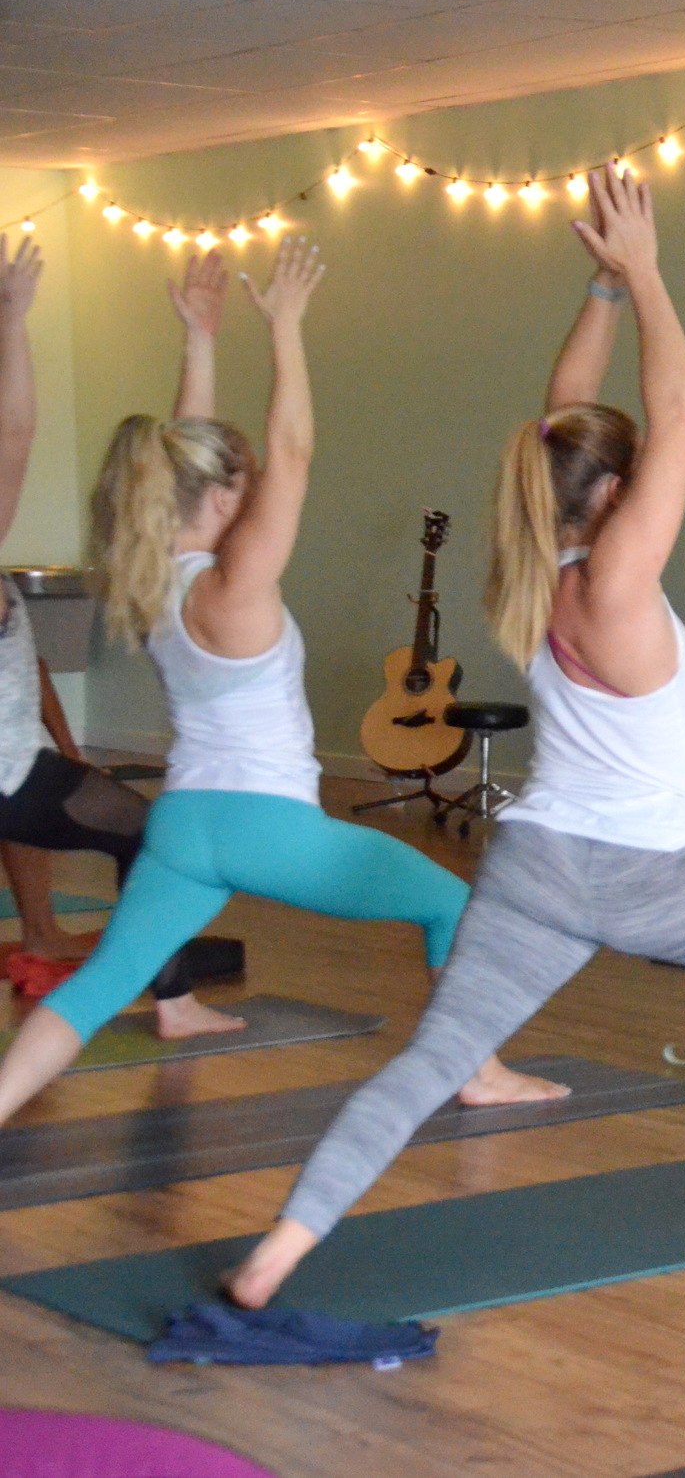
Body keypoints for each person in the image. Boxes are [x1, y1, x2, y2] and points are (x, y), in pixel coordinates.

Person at [223, 166, 685, 1308]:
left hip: (536, 863)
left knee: (427, 1065)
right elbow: (683, 417)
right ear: (614, 490)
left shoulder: (533, 569)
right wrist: (651, 273)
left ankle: (281, 1246)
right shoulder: (617, 580)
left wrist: (605, 287)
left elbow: (558, 414)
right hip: (656, 877)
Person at [0, 237, 558, 1126]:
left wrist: (202, 340)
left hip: (186, 827)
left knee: (104, 985)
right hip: (269, 826)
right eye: (241, 486)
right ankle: (477, 1068)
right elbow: (291, 452)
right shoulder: (234, 591)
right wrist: (288, 330)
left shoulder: (153, 584)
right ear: (223, 501)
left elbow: (197, 462)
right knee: (457, 902)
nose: (257, 490)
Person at [0, 239, 241, 1039]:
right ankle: (173, 1005)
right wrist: (12, 320)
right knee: (148, 834)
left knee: (132, 824)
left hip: (21, 772)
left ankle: (165, 997)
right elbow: (17, 438)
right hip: (11, 777)